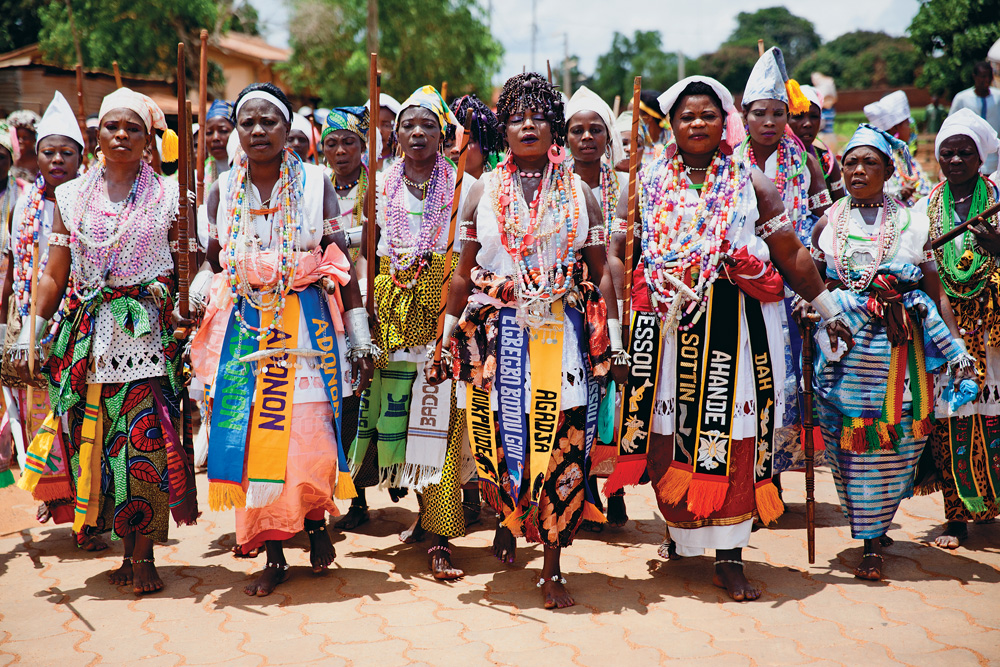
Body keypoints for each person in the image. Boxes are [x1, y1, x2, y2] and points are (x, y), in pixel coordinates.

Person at [612, 75, 851, 601]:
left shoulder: (751, 182)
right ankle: (681, 532)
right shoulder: (645, 181)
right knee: (670, 430)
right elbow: (618, 252)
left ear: (726, 121)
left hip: (735, 330)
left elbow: (789, 253)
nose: (697, 123)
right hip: (669, 328)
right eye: (686, 116)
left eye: (708, 115)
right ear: (671, 125)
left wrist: (828, 308)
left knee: (732, 432)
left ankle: (730, 555)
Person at [445, 72, 628, 609]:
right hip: (500, 338)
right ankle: (509, 518)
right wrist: (447, 337)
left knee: (564, 445)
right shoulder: (481, 190)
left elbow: (602, 273)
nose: (528, 124)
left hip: (562, 336)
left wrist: (614, 343)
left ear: (554, 129)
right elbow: (463, 272)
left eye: (539, 115)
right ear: (502, 128)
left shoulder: (582, 193)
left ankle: (552, 563)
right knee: (503, 441)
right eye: (516, 115)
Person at [13, 88, 199, 595]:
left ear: (148, 140)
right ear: (96, 136)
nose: (121, 135)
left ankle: (144, 556)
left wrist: (188, 316)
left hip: (147, 335)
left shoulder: (171, 194)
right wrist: (30, 326)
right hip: (89, 339)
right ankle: (123, 547)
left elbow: (189, 267)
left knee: (146, 443)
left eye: (133, 128)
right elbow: (55, 271)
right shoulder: (69, 197)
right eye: (112, 126)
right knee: (96, 445)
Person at [191, 82, 374, 596]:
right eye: (246, 122)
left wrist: (359, 336)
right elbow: (211, 260)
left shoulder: (317, 182)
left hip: (305, 323)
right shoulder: (222, 187)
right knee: (253, 435)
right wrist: (200, 291)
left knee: (308, 437)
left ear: (288, 128)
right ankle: (272, 549)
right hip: (246, 325)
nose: (256, 131)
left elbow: (342, 258)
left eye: (267, 121)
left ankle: (314, 525)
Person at [810, 123, 973, 581]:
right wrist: (814, 313)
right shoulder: (828, 222)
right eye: (850, 163)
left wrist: (955, 346)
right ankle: (869, 524)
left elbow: (934, 291)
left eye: (870, 163)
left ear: (888, 170)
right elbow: (819, 285)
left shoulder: (911, 220)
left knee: (894, 440)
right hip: (843, 347)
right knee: (847, 444)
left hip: (899, 350)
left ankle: (871, 537)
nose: (858, 170)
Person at [347, 85, 475, 581]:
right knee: (400, 419)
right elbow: (370, 257)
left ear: (442, 133)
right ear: (394, 133)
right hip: (392, 313)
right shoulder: (377, 186)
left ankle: (442, 537)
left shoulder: (464, 185)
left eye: (428, 125)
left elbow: (469, 256)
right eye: (408, 125)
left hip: (444, 309)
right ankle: (424, 516)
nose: (417, 133)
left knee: (441, 421)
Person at [0, 92, 97, 548]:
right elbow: (24, 267)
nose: (57, 160)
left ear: (82, 156)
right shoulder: (25, 203)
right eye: (48, 152)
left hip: (80, 324)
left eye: (66, 152)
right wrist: (23, 324)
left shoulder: (93, 198)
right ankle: (56, 497)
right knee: (42, 417)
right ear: (35, 156)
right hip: (35, 322)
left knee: (79, 417)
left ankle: (90, 508)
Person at [739, 48, 835, 481]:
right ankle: (749, 476)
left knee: (785, 382)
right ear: (745, 116)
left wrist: (809, 275)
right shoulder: (729, 163)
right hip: (742, 286)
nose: (770, 122)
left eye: (779, 113)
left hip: (794, 288)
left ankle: (774, 476)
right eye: (761, 113)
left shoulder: (807, 163)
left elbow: (823, 224)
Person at [914, 109, 1000, 547]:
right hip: (946, 331)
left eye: (965, 152)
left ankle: (994, 506)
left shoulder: (998, 196)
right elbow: (914, 260)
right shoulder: (925, 206)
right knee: (951, 421)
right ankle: (956, 516)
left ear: (980, 157)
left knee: (995, 417)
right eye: (947, 153)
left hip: (993, 330)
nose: (955, 160)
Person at [564, 85, 630, 528]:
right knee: (577, 396)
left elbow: (623, 254)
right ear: (564, 138)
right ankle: (580, 488)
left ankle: (616, 488)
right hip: (566, 305)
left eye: (595, 130)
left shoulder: (627, 185)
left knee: (615, 397)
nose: (586, 137)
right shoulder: (554, 184)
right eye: (576, 130)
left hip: (616, 300)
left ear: (608, 136)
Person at [319, 105, 376, 530]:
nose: (340, 151)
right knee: (331, 400)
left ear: (363, 146)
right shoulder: (315, 189)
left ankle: (359, 494)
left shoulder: (378, 190)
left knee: (362, 401)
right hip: (324, 304)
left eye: (349, 142)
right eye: (332, 144)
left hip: (365, 302)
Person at [863, 91, 930, 206]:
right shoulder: (883, 156)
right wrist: (900, 193)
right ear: (895, 128)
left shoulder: (901, 154)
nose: (910, 129)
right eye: (907, 124)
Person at [789, 84, 847, 202]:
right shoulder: (775, 158)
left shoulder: (827, 161)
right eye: (798, 116)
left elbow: (840, 207)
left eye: (814, 116)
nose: (808, 123)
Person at [948, 62, 1000, 175]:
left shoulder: (998, 98)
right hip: (969, 161)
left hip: (995, 161)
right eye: (982, 76)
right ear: (974, 76)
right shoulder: (962, 98)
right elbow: (950, 128)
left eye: (989, 76)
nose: (986, 80)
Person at [443, 94, 503, 180]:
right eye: (448, 144)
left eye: (465, 141)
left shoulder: (503, 183)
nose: (455, 149)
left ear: (486, 145)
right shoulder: (437, 189)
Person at [202, 100, 235, 189]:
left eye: (223, 131)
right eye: (209, 133)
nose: (215, 138)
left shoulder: (250, 175)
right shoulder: (199, 177)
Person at [6, 110, 40, 182]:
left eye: (25, 138)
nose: (20, 141)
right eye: (17, 137)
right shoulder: (8, 157)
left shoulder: (39, 160)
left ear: (34, 139)